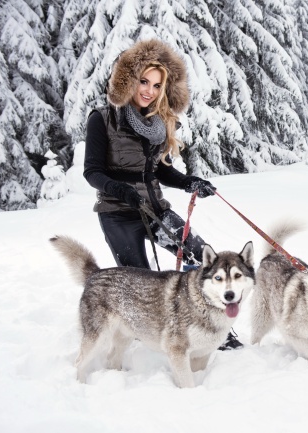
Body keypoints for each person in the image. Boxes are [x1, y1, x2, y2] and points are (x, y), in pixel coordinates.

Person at [83, 39, 242, 350]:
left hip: (156, 211)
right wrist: (121, 190)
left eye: (157, 85)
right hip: (118, 214)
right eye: (143, 81)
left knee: (201, 258)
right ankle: (157, 335)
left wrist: (189, 182)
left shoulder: (158, 124)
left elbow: (159, 170)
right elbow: (92, 172)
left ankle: (213, 327)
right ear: (127, 79)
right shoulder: (102, 119)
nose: (149, 91)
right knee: (143, 283)